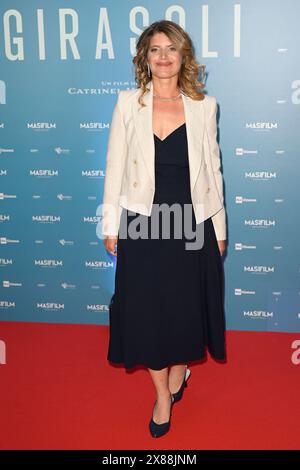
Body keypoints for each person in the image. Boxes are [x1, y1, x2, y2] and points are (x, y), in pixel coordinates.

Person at [102, 20, 227, 438]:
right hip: (142, 222)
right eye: (155, 49)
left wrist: (219, 226)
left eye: (170, 49)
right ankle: (161, 395)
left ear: (182, 56)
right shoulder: (128, 103)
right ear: (145, 57)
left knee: (184, 310)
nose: (163, 56)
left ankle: (179, 374)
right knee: (148, 313)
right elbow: (114, 166)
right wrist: (110, 223)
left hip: (192, 223)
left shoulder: (203, 106)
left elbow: (213, 169)